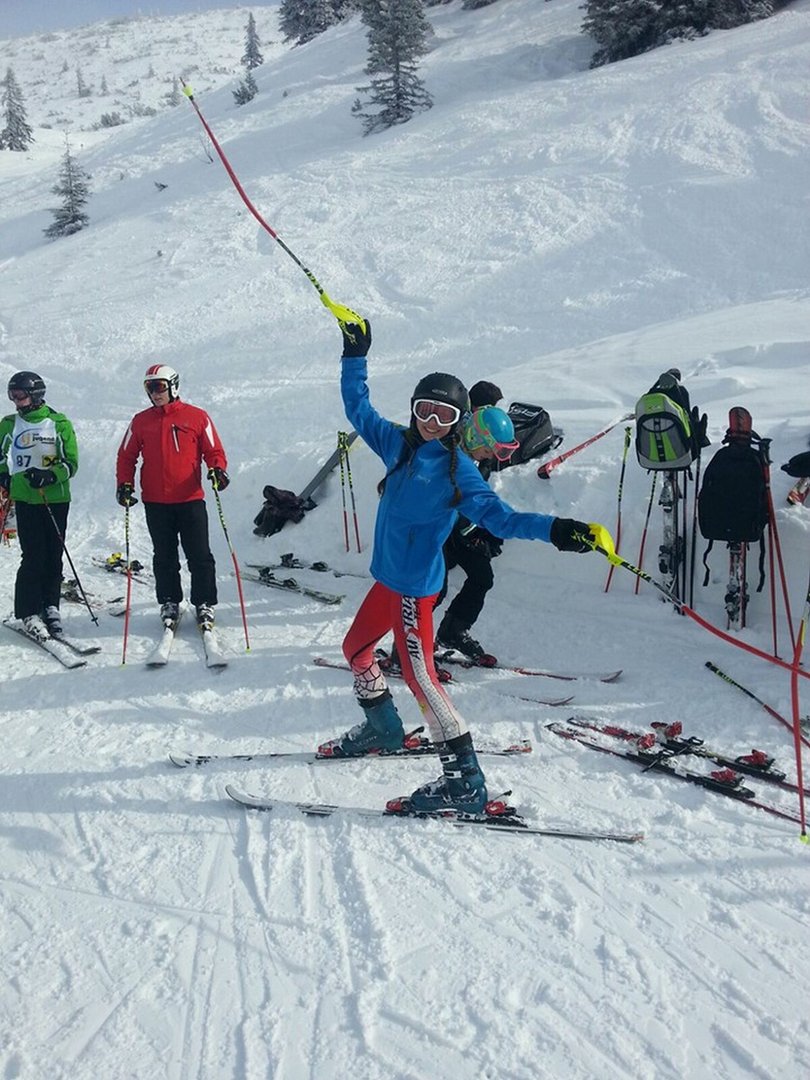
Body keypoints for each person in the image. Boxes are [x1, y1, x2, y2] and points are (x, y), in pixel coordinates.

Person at [318, 313, 597, 816]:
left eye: (443, 415)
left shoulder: (458, 471)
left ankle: (465, 782)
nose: (431, 421)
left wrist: (557, 530)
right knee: (355, 650)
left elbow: (502, 518)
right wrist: (354, 355)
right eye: (424, 410)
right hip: (388, 583)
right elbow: (357, 406)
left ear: (458, 422)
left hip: (413, 590)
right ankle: (383, 728)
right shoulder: (397, 445)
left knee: (422, 678)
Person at [115, 364, 229, 630]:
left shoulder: (197, 417)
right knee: (164, 556)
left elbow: (214, 451)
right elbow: (126, 456)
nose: (154, 394)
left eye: (159, 387)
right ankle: (169, 600)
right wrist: (125, 484)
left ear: (173, 387)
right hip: (156, 501)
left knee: (199, 554)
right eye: (149, 388)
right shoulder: (141, 421)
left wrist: (217, 470)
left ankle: (204, 602)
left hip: (190, 499)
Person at [434, 405, 521, 661]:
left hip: (459, 529)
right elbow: (443, 501)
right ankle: (408, 644)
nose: (490, 456)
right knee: (434, 590)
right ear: (474, 437)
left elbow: (474, 498)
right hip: (433, 529)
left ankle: (452, 631)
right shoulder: (445, 454)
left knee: (482, 576)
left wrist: (485, 529)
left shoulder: (480, 460)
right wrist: (470, 528)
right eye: (488, 449)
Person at [0, 371, 78, 641]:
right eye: (12, 395)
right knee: (33, 555)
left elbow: (72, 463)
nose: (16, 401)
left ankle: (51, 605)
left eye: (20, 395)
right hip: (25, 498)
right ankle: (28, 611)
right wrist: (3, 476)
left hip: (56, 497)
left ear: (35, 395)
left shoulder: (58, 423)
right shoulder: (9, 424)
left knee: (54, 554)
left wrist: (51, 475)